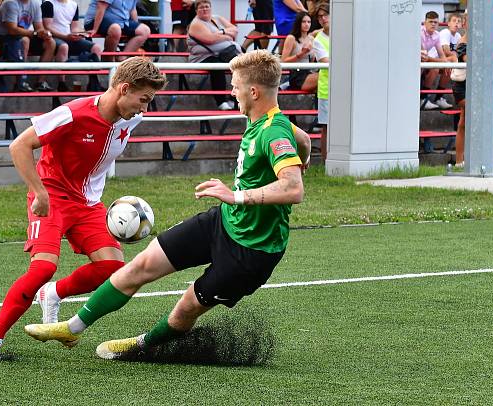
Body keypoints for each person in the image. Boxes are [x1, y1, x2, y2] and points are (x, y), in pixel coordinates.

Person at [23, 50, 311, 361]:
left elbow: (293, 189)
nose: (231, 90)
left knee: (185, 310)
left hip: (252, 250)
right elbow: (303, 138)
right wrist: (304, 156)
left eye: (235, 85)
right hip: (223, 222)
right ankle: (73, 327)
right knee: (142, 265)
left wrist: (236, 195)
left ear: (253, 92)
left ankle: (142, 347)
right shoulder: (268, 122)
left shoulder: (273, 131)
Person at [0, 57, 167, 362]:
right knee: (43, 267)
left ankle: (53, 294)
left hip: (88, 205)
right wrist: (38, 192)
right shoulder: (72, 113)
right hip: (51, 196)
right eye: (143, 99)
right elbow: (19, 147)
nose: (145, 108)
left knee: (113, 270)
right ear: (124, 88)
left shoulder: (131, 118)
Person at [0, 0, 56, 92]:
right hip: (0, 38)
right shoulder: (10, 3)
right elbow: (12, 30)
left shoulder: (35, 4)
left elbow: (39, 27)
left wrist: (44, 34)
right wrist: (36, 33)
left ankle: (41, 82)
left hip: (21, 36)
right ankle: (21, 82)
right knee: (25, 41)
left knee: (50, 42)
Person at [186, 0, 240, 111]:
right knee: (217, 66)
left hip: (223, 53)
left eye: (207, 6)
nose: (205, 9)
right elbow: (209, 39)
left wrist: (220, 33)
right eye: (201, 7)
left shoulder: (217, 18)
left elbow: (235, 30)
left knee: (241, 66)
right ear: (196, 11)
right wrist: (226, 35)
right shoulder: (196, 24)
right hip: (202, 57)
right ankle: (221, 101)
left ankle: (233, 97)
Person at [41, 0, 103, 91]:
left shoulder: (73, 5)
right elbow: (47, 27)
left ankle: (94, 82)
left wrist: (80, 34)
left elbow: (74, 28)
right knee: (64, 47)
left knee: (96, 48)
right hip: (53, 37)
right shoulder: (48, 3)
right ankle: (61, 83)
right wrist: (65, 36)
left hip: (68, 37)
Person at [83, 0, 151, 62]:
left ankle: (122, 59)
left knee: (145, 30)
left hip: (121, 22)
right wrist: (95, 29)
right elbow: (101, 7)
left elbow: (133, 10)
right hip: (95, 21)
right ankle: (108, 60)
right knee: (116, 29)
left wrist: (135, 27)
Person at [421, 11, 451, 111]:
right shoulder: (419, 32)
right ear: (425, 22)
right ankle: (423, 99)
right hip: (414, 63)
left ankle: (439, 97)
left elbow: (442, 56)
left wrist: (445, 63)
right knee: (435, 68)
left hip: (424, 62)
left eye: (435, 22)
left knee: (448, 66)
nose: (433, 24)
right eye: (430, 22)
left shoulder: (437, 35)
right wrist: (439, 61)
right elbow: (422, 57)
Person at [281, 11, 316, 92]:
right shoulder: (291, 38)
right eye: (304, 22)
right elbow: (283, 61)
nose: (307, 24)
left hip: (309, 71)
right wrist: (301, 54)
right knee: (323, 78)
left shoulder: (311, 39)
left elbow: (312, 61)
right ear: (298, 23)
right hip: (296, 74)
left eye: (309, 22)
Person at [312, 1, 328, 161]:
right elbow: (326, 61)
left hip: (345, 88)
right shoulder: (318, 40)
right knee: (327, 127)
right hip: (326, 89)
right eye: (320, 16)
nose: (323, 19)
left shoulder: (343, 33)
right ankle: (326, 162)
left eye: (325, 15)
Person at [451, 24, 467, 166]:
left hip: (473, 84)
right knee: (465, 122)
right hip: (462, 86)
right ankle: (460, 160)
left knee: (463, 122)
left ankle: (460, 160)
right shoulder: (463, 42)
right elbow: (470, 60)